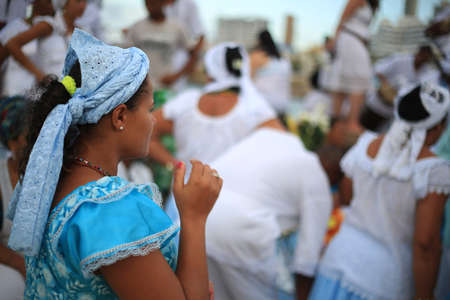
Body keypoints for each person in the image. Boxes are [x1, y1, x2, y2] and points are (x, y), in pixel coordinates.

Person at [7, 29, 222, 299]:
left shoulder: (56, 182)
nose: (154, 120)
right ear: (120, 116)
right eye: (149, 109)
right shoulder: (109, 210)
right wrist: (193, 216)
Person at [308, 82, 450, 300]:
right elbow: (426, 243)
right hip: (384, 280)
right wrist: (425, 295)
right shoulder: (432, 170)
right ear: (439, 126)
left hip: (337, 262)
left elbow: (347, 196)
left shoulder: (364, 146)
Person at [148, 43, 277, 222]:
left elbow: (146, 132)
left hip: (184, 199)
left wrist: (175, 164)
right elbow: (281, 150)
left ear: (210, 71)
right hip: (233, 209)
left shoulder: (186, 103)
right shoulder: (254, 110)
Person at [206, 123, 332, 300]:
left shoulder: (268, 138)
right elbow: (307, 260)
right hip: (242, 229)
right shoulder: (315, 173)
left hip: (202, 212)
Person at [324, 0, 379, 133]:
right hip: (349, 40)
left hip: (359, 42)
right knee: (357, 77)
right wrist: (334, 41)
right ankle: (350, 122)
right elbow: (342, 19)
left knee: (348, 79)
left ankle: (341, 120)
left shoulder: (372, 4)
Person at [124, 0, 202, 89]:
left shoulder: (177, 27)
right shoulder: (136, 27)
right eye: (147, 3)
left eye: (154, 2)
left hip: (167, 88)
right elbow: (126, 58)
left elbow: (194, 54)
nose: (151, 7)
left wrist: (176, 76)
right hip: (143, 88)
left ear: (163, 3)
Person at [361, 45, 439, 132]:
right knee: (362, 127)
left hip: (391, 112)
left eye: (426, 58)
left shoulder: (428, 73)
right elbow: (378, 71)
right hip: (375, 104)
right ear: (418, 53)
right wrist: (386, 87)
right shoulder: (400, 59)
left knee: (374, 134)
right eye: (422, 55)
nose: (422, 58)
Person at [5, 0, 86, 82]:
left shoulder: (81, 31)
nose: (83, 5)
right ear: (64, 3)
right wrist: (39, 75)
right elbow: (12, 44)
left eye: (85, 1)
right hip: (49, 90)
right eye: (78, 1)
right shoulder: (49, 25)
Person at [0, 96, 28, 300]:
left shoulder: (51, 173)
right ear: (11, 141)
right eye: (30, 137)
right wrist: (22, 266)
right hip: (10, 265)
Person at [0, 0, 54, 96]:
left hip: (39, 97)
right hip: (14, 94)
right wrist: (38, 74)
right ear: (35, 2)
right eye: (48, 1)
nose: (52, 5)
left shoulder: (55, 29)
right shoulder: (14, 27)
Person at [164, 0, 205, 91]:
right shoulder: (158, 4)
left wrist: (191, 64)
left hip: (182, 61)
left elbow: (200, 36)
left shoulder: (189, 4)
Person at [250, 29, 292, 115]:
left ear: (259, 41)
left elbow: (248, 81)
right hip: (283, 105)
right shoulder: (282, 60)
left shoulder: (257, 56)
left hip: (264, 105)